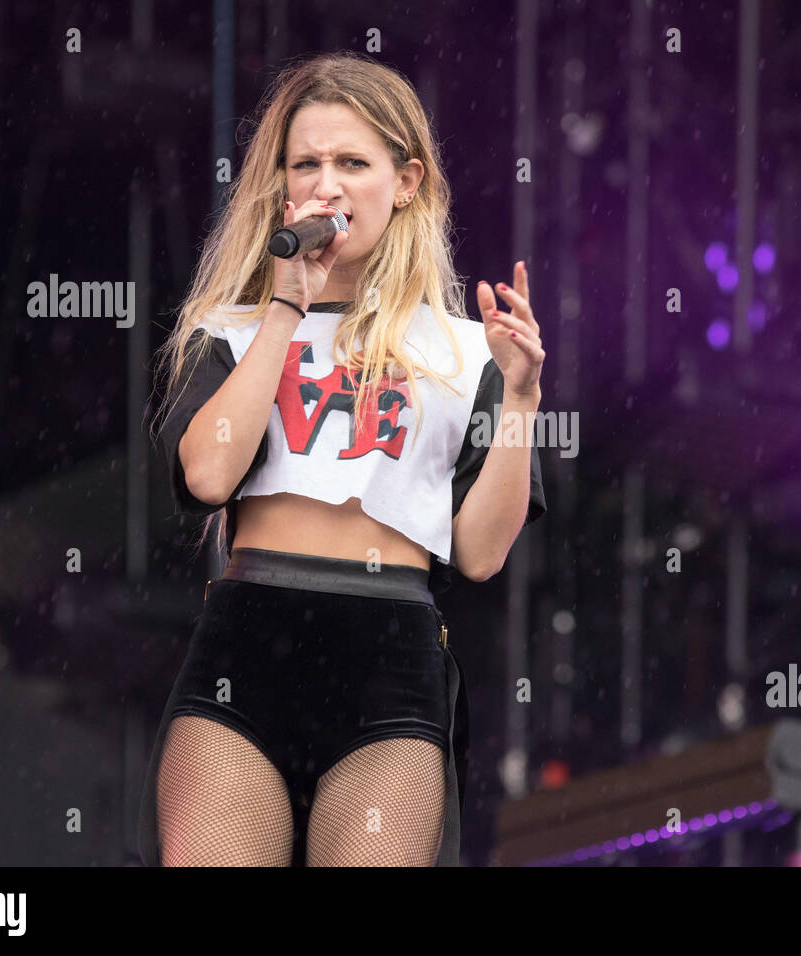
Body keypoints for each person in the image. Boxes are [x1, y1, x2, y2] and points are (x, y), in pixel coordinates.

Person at [136, 52, 547, 867]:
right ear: (283, 189)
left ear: (406, 183)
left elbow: (481, 552)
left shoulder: (465, 351)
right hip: (244, 650)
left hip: (388, 663)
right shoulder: (231, 329)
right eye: (307, 165)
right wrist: (287, 303)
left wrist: (524, 399)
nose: (327, 185)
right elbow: (208, 477)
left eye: (352, 163)